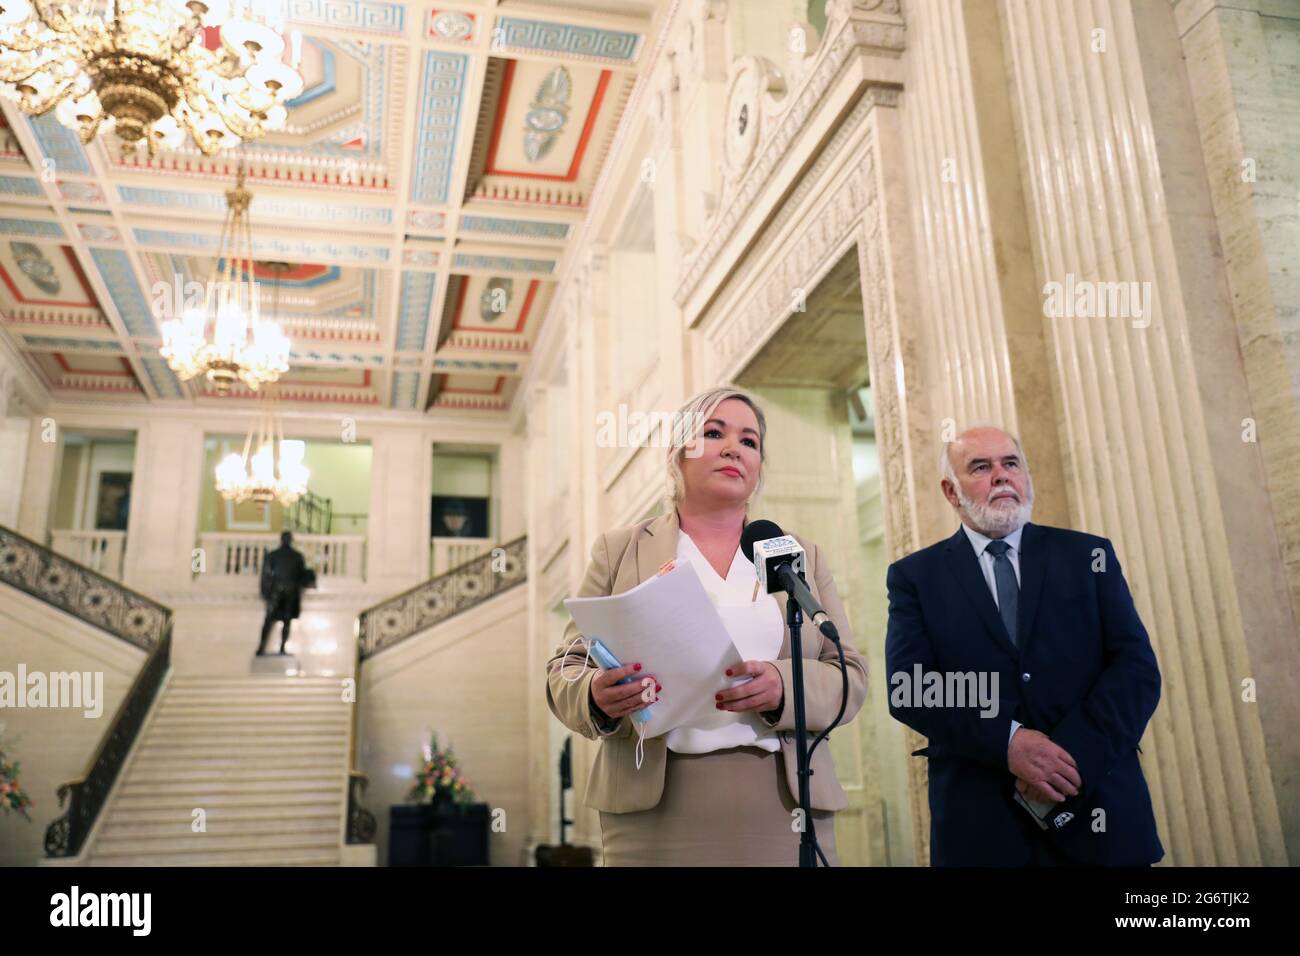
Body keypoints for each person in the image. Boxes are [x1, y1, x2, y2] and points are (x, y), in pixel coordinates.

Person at [546, 386, 868, 866]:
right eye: (713, 433)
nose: (733, 448)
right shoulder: (620, 551)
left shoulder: (797, 553)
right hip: (654, 809)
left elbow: (850, 677)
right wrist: (596, 693)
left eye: (750, 441)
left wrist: (782, 684)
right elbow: (564, 669)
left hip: (785, 803)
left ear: (759, 466)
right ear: (678, 453)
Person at [885, 426, 1163, 865]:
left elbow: (1136, 670)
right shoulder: (915, 577)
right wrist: (1009, 742)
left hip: (1099, 815)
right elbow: (912, 688)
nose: (1001, 476)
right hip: (983, 830)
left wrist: (1071, 755)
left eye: (1010, 463)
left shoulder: (1089, 555)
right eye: (980, 467)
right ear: (951, 491)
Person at [257, 531, 314, 656]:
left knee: (270, 620)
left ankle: (263, 647)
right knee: (285, 620)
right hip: (289, 591)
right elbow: (301, 575)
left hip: (278, 591)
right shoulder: (297, 556)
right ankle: (279, 648)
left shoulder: (274, 555)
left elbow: (266, 575)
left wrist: (266, 591)